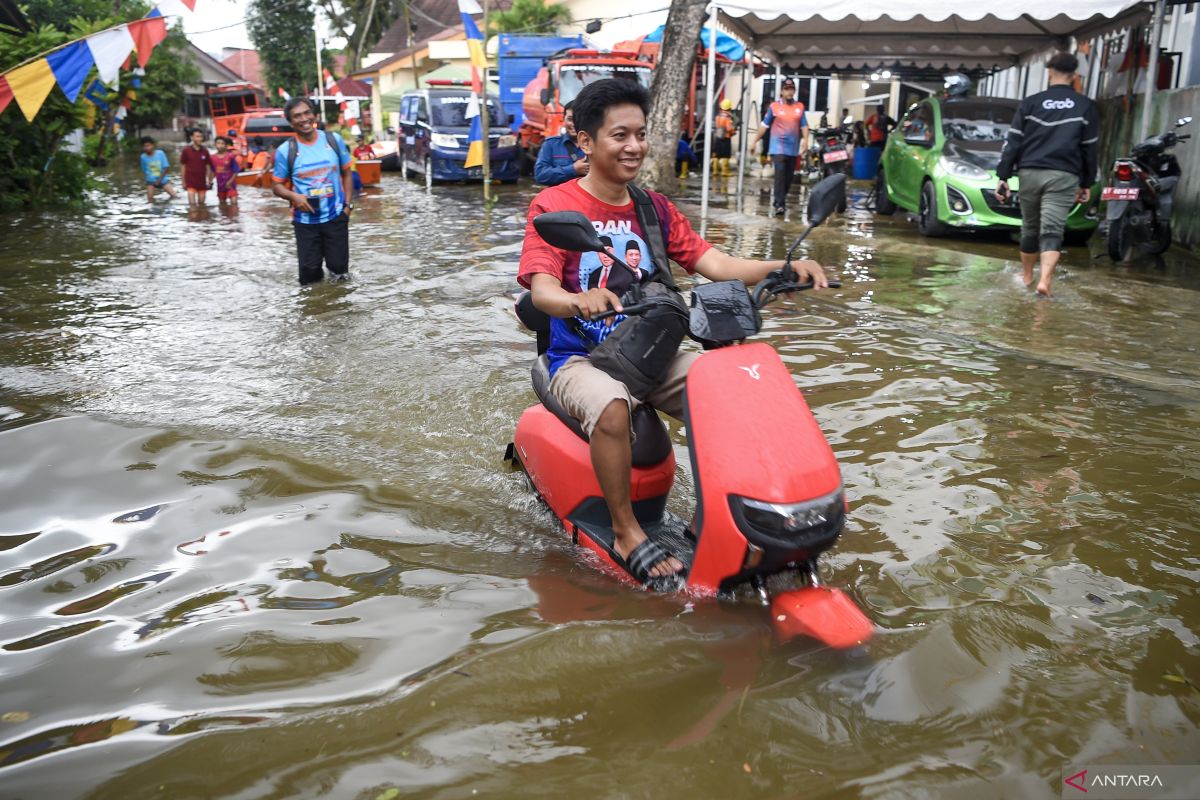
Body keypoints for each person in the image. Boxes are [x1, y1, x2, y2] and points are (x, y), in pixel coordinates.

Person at [518, 79, 829, 582]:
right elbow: (542, 291)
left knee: (731, 386)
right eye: (620, 135)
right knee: (612, 406)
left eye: (640, 134)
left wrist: (784, 268)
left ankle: (735, 521)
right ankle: (625, 530)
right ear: (586, 142)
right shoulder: (554, 207)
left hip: (649, 351)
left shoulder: (653, 208)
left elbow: (716, 262)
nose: (635, 147)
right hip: (579, 360)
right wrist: (579, 299)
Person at [995, 51, 1098, 297]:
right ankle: (1046, 280)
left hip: (1031, 172)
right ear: (1074, 75)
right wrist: (1086, 182)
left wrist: (1004, 176)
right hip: (1064, 174)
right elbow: (1089, 147)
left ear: (1050, 71)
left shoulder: (1031, 102)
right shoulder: (1086, 106)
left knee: (1030, 227)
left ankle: (1028, 276)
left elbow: (1014, 142)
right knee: (1052, 228)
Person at [272, 97, 355, 285]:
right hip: (305, 222)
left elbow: (347, 174)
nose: (303, 119)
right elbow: (276, 186)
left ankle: (340, 311)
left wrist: (348, 207)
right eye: (297, 116)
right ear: (290, 122)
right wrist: (293, 196)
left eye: (306, 113)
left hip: (336, 217)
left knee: (340, 274)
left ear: (314, 114)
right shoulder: (286, 151)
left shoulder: (334, 140)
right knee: (309, 278)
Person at [750, 77, 809, 217]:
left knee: (788, 177)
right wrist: (754, 141)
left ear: (794, 91)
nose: (789, 92)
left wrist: (806, 140)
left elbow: (804, 125)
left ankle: (779, 200)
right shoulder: (774, 107)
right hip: (778, 147)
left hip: (793, 149)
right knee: (780, 175)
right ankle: (780, 205)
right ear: (781, 91)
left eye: (791, 89)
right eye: (786, 89)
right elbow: (764, 125)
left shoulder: (799, 107)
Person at [534, 102, 588, 186]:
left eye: (578, 119)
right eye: (570, 119)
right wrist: (573, 169)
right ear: (563, 119)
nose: (573, 124)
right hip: (559, 198)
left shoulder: (594, 145)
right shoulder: (551, 144)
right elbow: (540, 175)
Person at [179, 129, 213, 207]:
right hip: (190, 182)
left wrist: (209, 180)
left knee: (202, 206)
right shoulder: (186, 151)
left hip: (202, 182)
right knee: (192, 206)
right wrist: (183, 182)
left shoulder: (205, 151)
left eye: (201, 137)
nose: (199, 139)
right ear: (192, 138)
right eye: (197, 136)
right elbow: (183, 166)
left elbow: (208, 166)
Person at [139, 136, 178, 202]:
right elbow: (144, 169)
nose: (147, 148)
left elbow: (166, 167)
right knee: (150, 199)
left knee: (174, 196)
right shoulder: (143, 157)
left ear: (153, 145)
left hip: (162, 179)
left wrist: (159, 180)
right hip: (150, 181)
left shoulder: (160, 153)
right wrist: (150, 178)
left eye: (148, 146)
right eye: (144, 146)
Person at [209, 136, 241, 207]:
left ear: (226, 145)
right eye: (218, 143)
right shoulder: (212, 158)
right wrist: (210, 182)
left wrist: (230, 182)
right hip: (220, 185)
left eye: (222, 143)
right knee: (222, 205)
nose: (220, 145)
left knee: (234, 204)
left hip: (231, 185)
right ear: (215, 144)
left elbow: (236, 171)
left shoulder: (230, 156)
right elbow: (212, 171)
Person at [712, 98, 737, 177]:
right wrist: (733, 131)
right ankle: (724, 172)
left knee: (716, 154)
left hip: (718, 137)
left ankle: (715, 171)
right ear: (729, 108)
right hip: (726, 138)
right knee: (726, 155)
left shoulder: (717, 116)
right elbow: (729, 128)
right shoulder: (727, 117)